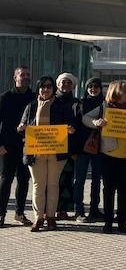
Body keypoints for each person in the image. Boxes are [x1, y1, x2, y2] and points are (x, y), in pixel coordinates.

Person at [83, 80, 126, 233]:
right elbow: (86, 118)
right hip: (108, 154)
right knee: (108, 190)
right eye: (124, 90)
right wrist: (97, 122)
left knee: (125, 191)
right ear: (116, 92)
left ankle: (122, 222)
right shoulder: (105, 107)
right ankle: (108, 222)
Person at [19, 76, 78, 231]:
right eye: (42, 86)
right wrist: (21, 127)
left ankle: (51, 217)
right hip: (35, 152)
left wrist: (70, 128)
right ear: (38, 88)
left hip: (56, 152)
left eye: (49, 87)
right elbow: (23, 124)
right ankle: (38, 218)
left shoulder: (61, 105)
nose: (45, 89)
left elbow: (71, 123)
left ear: (53, 89)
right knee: (38, 185)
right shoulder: (31, 106)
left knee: (53, 185)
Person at [0, 66, 35, 227]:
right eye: (22, 75)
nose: (26, 77)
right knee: (5, 180)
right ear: (15, 77)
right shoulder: (5, 97)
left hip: (29, 145)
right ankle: (1, 214)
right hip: (7, 146)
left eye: (28, 75)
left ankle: (20, 213)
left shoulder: (35, 98)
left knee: (24, 180)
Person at [74, 77, 104, 223]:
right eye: (90, 86)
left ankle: (94, 210)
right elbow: (77, 123)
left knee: (96, 180)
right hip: (82, 148)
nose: (93, 89)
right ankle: (78, 211)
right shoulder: (80, 103)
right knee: (79, 180)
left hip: (99, 147)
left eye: (96, 86)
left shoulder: (105, 104)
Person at [54, 73, 81, 220]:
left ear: (73, 86)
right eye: (63, 82)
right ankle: (49, 209)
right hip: (52, 146)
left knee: (67, 180)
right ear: (58, 84)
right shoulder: (51, 100)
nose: (66, 85)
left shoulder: (77, 103)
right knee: (52, 180)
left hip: (70, 148)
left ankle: (63, 209)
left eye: (69, 83)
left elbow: (80, 123)